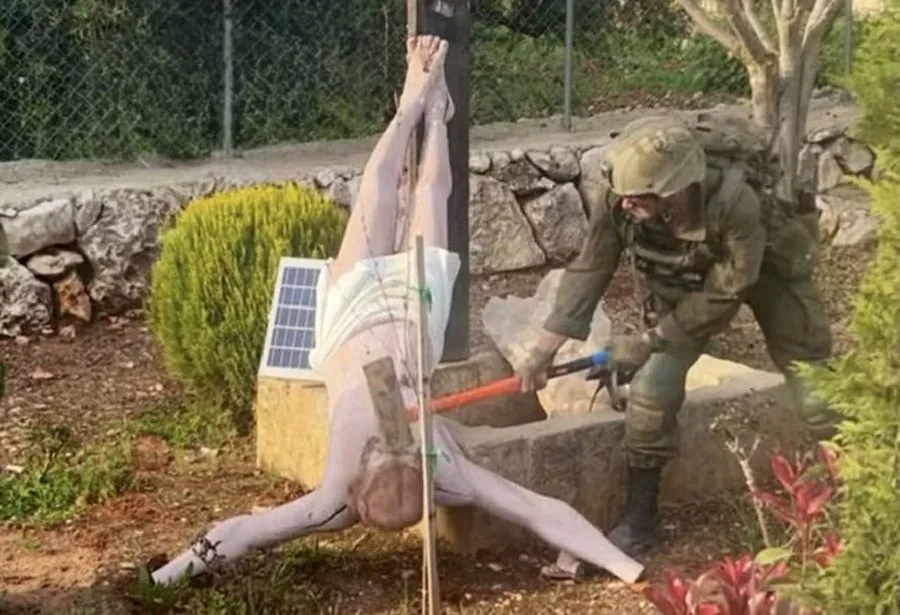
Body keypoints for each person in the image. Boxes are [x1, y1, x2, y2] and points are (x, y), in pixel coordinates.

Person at [145, 35, 644, 588]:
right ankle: (432, 112)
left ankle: (415, 106)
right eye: (395, 453)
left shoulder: (338, 499)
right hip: (410, 323)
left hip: (347, 324)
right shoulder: (447, 475)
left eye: (388, 453)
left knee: (377, 196)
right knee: (431, 195)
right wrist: (627, 567)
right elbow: (536, 508)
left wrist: (166, 576)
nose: (391, 443)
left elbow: (240, 532)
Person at [517, 116, 837, 559]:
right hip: (686, 283)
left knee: (811, 376)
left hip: (765, 273)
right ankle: (641, 518)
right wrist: (541, 350)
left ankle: (849, 484)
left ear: (677, 188)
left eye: (640, 196)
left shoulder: (735, 203)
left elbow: (728, 290)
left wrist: (648, 340)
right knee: (651, 388)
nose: (627, 204)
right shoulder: (619, 199)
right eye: (625, 195)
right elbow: (591, 267)